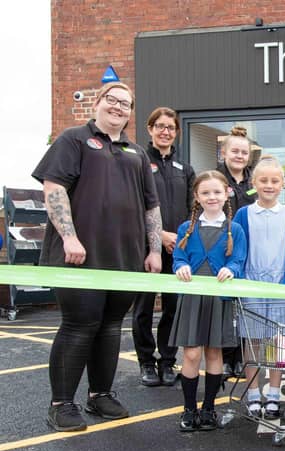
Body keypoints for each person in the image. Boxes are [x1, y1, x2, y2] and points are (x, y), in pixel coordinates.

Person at [32, 82, 163, 432]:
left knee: (109, 327)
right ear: (99, 103)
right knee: (79, 325)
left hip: (125, 260)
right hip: (79, 259)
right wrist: (69, 237)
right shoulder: (74, 139)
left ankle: (100, 395)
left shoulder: (136, 153)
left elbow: (151, 206)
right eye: (112, 100)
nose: (118, 107)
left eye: (126, 103)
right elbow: (54, 187)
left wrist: (153, 250)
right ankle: (61, 404)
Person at [169, 170, 247, 431]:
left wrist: (232, 269)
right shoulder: (186, 228)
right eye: (205, 192)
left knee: (214, 353)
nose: (211, 197)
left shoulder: (234, 228)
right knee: (191, 354)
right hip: (192, 297)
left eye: (216, 192)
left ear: (226, 193)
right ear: (196, 197)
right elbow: (179, 257)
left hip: (218, 298)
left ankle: (210, 408)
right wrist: (180, 266)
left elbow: (238, 259)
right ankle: (189, 408)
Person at [234, 156, 285, 419]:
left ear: (282, 185)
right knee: (254, 340)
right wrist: (240, 278)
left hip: (280, 285)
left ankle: (275, 393)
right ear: (254, 183)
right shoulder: (244, 214)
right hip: (252, 285)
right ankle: (254, 393)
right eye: (263, 180)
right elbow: (236, 247)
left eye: (275, 180)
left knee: (279, 342)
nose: (269, 185)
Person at [132, 107, 195, 387]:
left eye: (170, 127)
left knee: (173, 308)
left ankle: (168, 361)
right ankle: (146, 361)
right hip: (146, 247)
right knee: (143, 309)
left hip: (176, 250)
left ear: (176, 132)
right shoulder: (138, 161)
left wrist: (181, 238)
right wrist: (161, 235)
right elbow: (134, 207)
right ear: (150, 129)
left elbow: (195, 209)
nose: (165, 131)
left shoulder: (185, 168)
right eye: (159, 126)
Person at [217, 126, 257, 379]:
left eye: (244, 152)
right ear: (224, 153)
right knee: (225, 307)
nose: (240, 156)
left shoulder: (254, 181)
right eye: (235, 151)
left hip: (249, 250)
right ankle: (225, 358)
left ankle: (241, 357)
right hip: (224, 249)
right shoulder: (216, 179)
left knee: (244, 306)